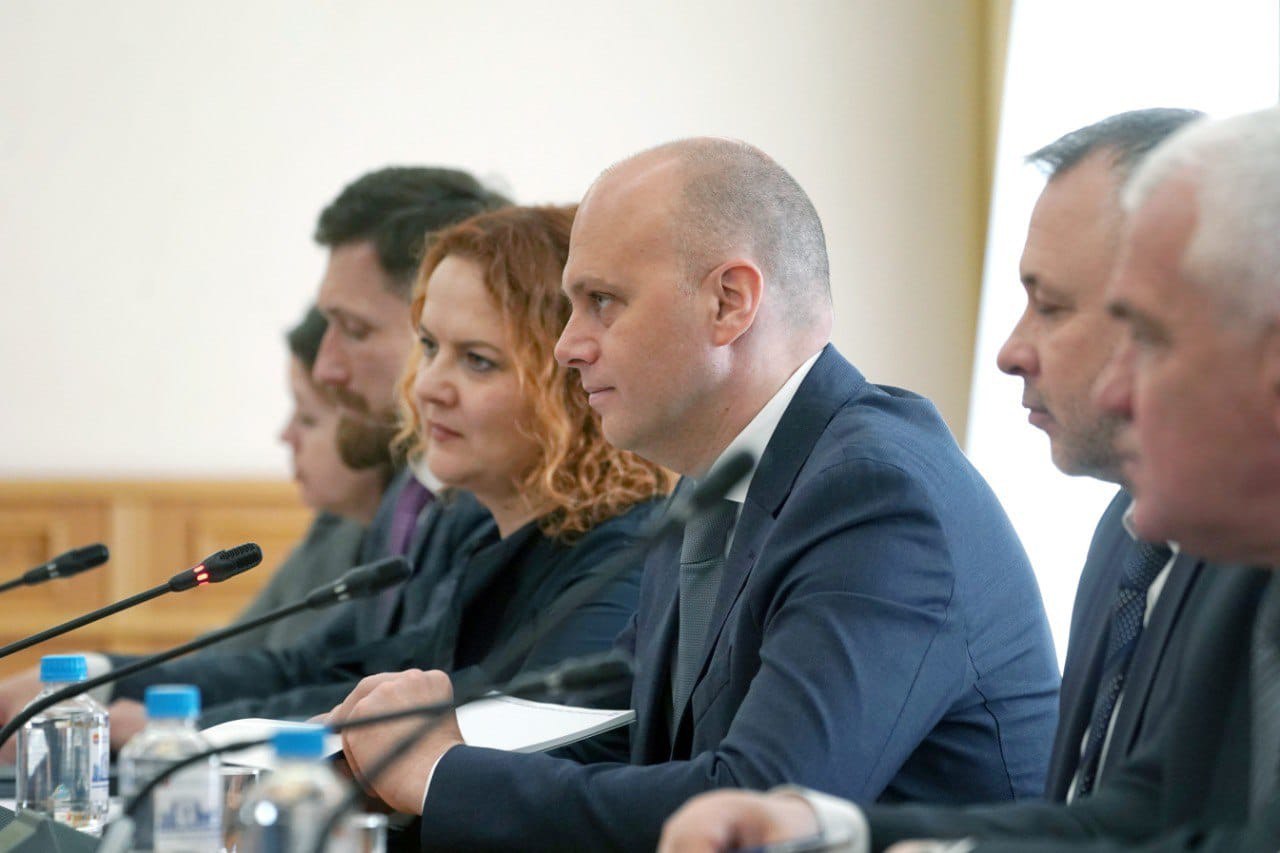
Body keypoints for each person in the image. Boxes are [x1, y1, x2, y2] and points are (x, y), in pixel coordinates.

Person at [331, 137, 1061, 851]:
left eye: (602, 301)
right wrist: (414, 745)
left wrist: (442, 775)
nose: (567, 346)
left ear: (729, 302)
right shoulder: (718, 480)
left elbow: (756, 808)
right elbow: (620, 736)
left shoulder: (876, 496)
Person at [665, 106, 1280, 852]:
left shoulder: (876, 486)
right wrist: (836, 831)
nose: (1121, 388)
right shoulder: (1138, 537)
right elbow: (1134, 816)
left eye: (1147, 335)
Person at [0, 166, 509, 746]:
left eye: (355, 329)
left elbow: (435, 710)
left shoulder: (485, 507)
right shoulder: (413, 496)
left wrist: (182, 730)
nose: (327, 367)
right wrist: (100, 679)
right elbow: (315, 667)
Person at [111, 204, 675, 724]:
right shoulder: (486, 537)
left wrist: (184, 731)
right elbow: (346, 676)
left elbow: (501, 740)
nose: (428, 387)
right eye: (429, 347)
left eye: (477, 361)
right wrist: (110, 684)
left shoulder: (620, 560)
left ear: (573, 384)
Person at [218, 305, 391, 652]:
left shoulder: (420, 542)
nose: (286, 436)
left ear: (371, 420)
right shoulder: (332, 527)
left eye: (308, 418)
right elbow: (229, 652)